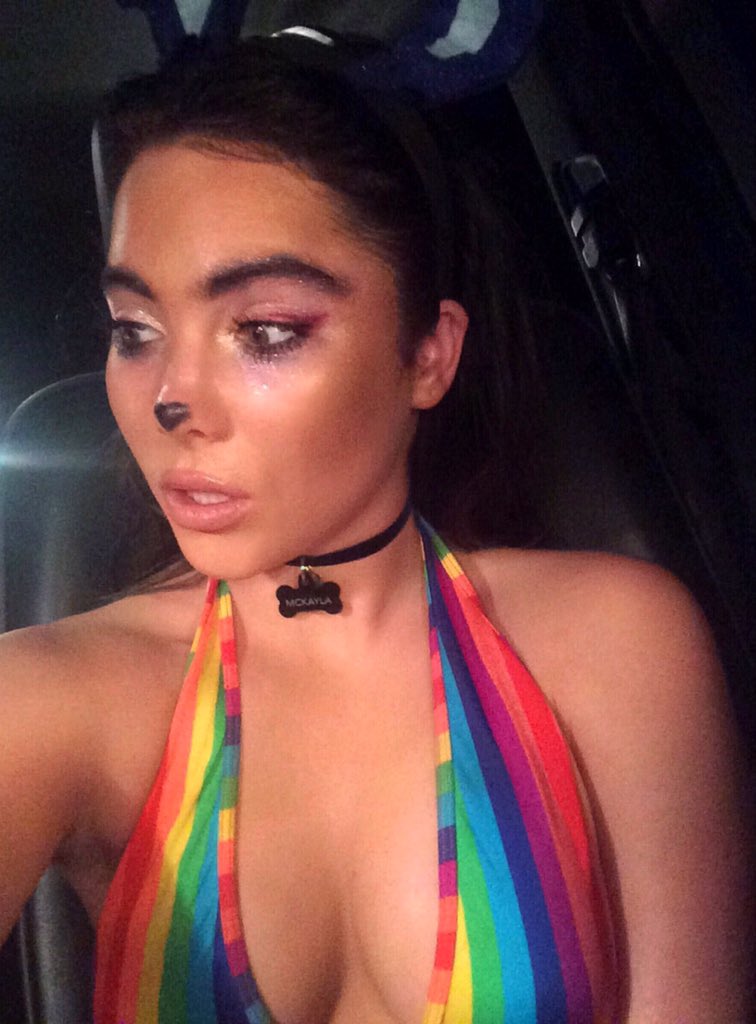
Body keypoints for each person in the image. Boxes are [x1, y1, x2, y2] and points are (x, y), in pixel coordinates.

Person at [0, 35, 751, 1024]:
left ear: (428, 356)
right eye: (135, 331)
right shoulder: (54, 697)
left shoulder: (614, 642)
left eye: (266, 330)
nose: (172, 400)